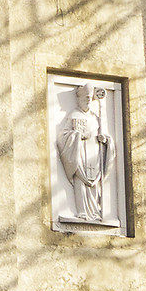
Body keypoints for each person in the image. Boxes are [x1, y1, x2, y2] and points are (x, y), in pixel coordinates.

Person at [56, 83, 111, 222]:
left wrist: (105, 140)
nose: (87, 100)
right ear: (79, 99)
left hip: (94, 154)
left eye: (89, 97)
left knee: (94, 183)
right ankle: (81, 212)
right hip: (79, 154)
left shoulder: (96, 118)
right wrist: (77, 136)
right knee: (80, 181)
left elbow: (104, 137)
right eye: (85, 97)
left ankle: (95, 213)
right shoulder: (73, 115)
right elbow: (62, 136)